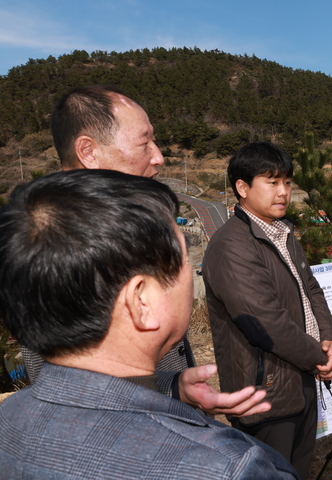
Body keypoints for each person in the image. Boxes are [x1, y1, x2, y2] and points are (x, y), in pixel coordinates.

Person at [0, 170, 298, 479]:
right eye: (184, 258)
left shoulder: (9, 417)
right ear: (141, 302)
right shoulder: (228, 468)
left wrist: (171, 387)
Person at [21, 85, 264, 418]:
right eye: (144, 142)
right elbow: (64, 383)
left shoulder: (128, 224)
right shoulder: (51, 240)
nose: (159, 156)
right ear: (88, 152)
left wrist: (174, 387)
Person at [203, 142, 332, 479]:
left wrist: (331, 340)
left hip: (301, 380)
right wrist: (319, 358)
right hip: (264, 395)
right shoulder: (230, 246)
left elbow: (312, 290)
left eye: (288, 183)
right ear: (242, 188)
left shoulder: (283, 233)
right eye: (272, 182)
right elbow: (266, 324)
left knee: (297, 471)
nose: (283, 192)